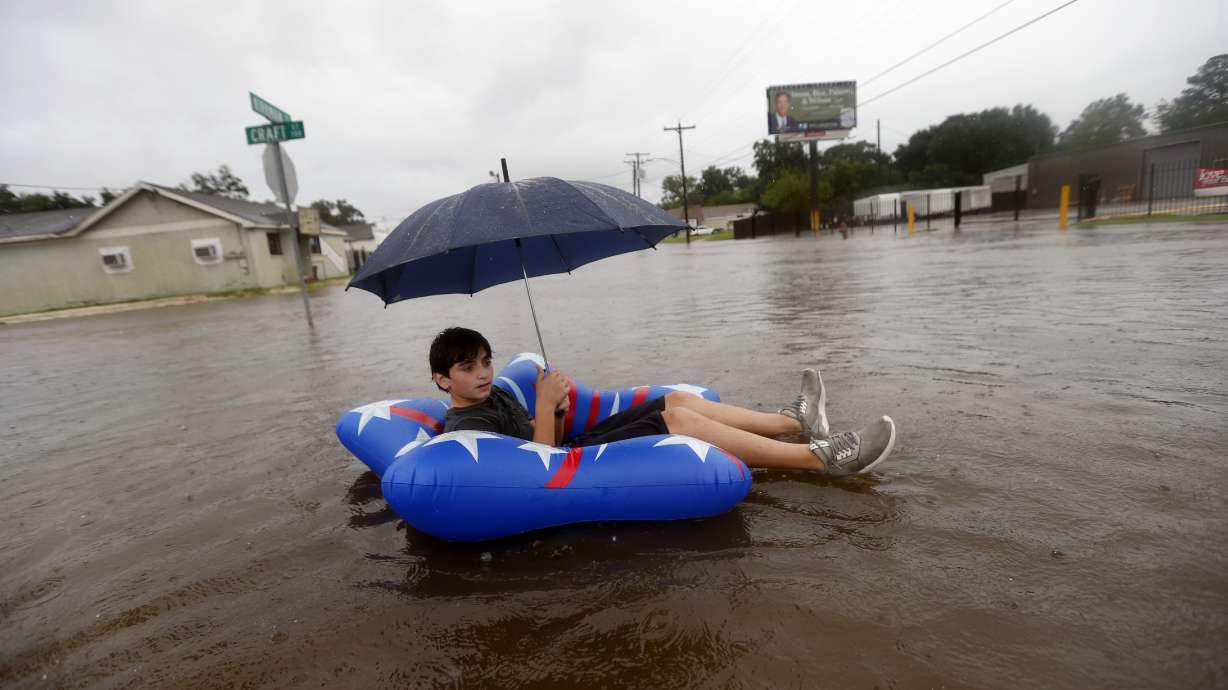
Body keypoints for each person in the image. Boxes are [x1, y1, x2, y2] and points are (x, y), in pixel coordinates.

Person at [429, 327, 896, 477]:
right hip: (567, 464)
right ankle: (819, 459)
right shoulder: (463, 429)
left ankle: (792, 421)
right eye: (468, 368)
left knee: (673, 400)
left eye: (486, 361)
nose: (484, 372)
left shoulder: (494, 399)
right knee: (677, 421)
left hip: (574, 443)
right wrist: (548, 411)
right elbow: (540, 463)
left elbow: (538, 433)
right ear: (442, 380)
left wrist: (556, 407)